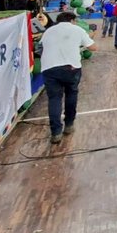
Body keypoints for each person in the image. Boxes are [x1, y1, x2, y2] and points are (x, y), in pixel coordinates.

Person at [39, 12, 96, 144]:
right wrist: (87, 39)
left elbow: (42, 46)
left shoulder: (48, 31)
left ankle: (56, 132)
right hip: (71, 68)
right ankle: (69, 124)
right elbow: (93, 47)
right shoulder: (77, 29)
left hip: (49, 68)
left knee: (54, 99)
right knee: (71, 94)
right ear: (72, 20)